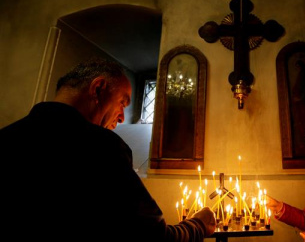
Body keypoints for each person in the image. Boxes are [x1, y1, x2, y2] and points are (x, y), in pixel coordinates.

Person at [0, 57, 216, 241]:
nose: (122, 117)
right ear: (98, 88)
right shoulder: (101, 146)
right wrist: (196, 225)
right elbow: (150, 237)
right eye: (122, 103)